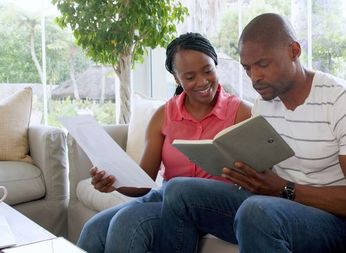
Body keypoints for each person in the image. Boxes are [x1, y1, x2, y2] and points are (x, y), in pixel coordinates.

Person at [156, 13, 346, 253]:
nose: (255, 78)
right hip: (277, 206)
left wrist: (283, 189)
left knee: (257, 212)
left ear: (294, 51)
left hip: (340, 223)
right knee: (179, 191)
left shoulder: (345, 102)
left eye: (263, 65)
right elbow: (268, 176)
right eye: (248, 68)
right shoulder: (264, 104)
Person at [76, 32, 251, 253]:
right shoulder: (164, 115)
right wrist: (114, 182)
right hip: (167, 195)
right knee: (94, 228)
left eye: (208, 71)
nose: (202, 82)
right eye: (189, 77)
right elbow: (144, 182)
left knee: (128, 221)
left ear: (215, 65)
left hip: (214, 203)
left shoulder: (241, 113)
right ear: (176, 79)